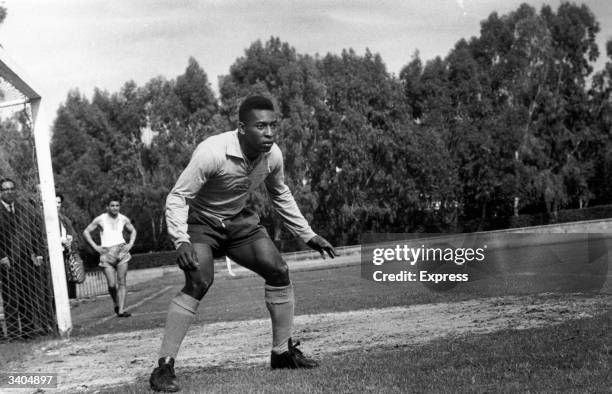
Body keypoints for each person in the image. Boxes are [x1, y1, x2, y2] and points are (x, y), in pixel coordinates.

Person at [149, 95, 336, 392]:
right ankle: (164, 367)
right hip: (201, 223)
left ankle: (282, 354)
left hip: (239, 221)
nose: (269, 133)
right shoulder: (212, 152)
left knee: (278, 269)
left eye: (272, 126)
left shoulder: (272, 155)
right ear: (241, 128)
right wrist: (181, 240)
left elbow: (280, 194)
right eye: (261, 126)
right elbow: (178, 196)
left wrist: (307, 234)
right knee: (199, 280)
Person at [0, 178, 53, 340]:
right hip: (7, 261)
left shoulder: (24, 210)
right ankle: (15, 334)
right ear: (0, 192)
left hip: (26, 261)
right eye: (5, 189)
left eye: (11, 188)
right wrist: (1, 256)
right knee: (11, 298)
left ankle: (29, 331)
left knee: (28, 296)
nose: (9, 192)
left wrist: (38, 253)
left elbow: (36, 233)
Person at [83, 196, 136, 317]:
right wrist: (95, 247)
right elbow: (86, 232)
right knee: (112, 285)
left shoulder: (123, 219)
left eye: (117, 205)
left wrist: (130, 244)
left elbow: (133, 230)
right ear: (107, 207)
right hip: (107, 254)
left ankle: (121, 310)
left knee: (122, 282)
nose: (115, 208)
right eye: (112, 205)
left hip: (122, 252)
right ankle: (116, 304)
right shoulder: (100, 219)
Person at [56, 193, 80, 300]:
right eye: (54, 202)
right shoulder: (43, 218)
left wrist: (70, 242)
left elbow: (74, 237)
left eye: (59, 202)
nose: (57, 205)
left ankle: (71, 301)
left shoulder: (64, 219)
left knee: (69, 280)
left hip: (66, 254)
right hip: (52, 256)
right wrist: (61, 241)